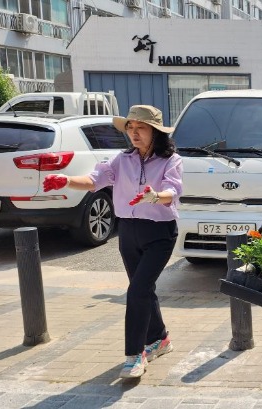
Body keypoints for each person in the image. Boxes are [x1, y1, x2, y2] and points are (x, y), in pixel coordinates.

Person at [42, 105, 182, 378]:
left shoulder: (171, 160)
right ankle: (160, 339)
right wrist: (66, 180)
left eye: (140, 128)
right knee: (142, 289)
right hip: (128, 231)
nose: (134, 133)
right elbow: (94, 180)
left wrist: (155, 196)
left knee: (138, 291)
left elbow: (172, 191)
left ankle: (134, 354)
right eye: (130, 128)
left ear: (155, 131)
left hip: (160, 233)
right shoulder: (121, 159)